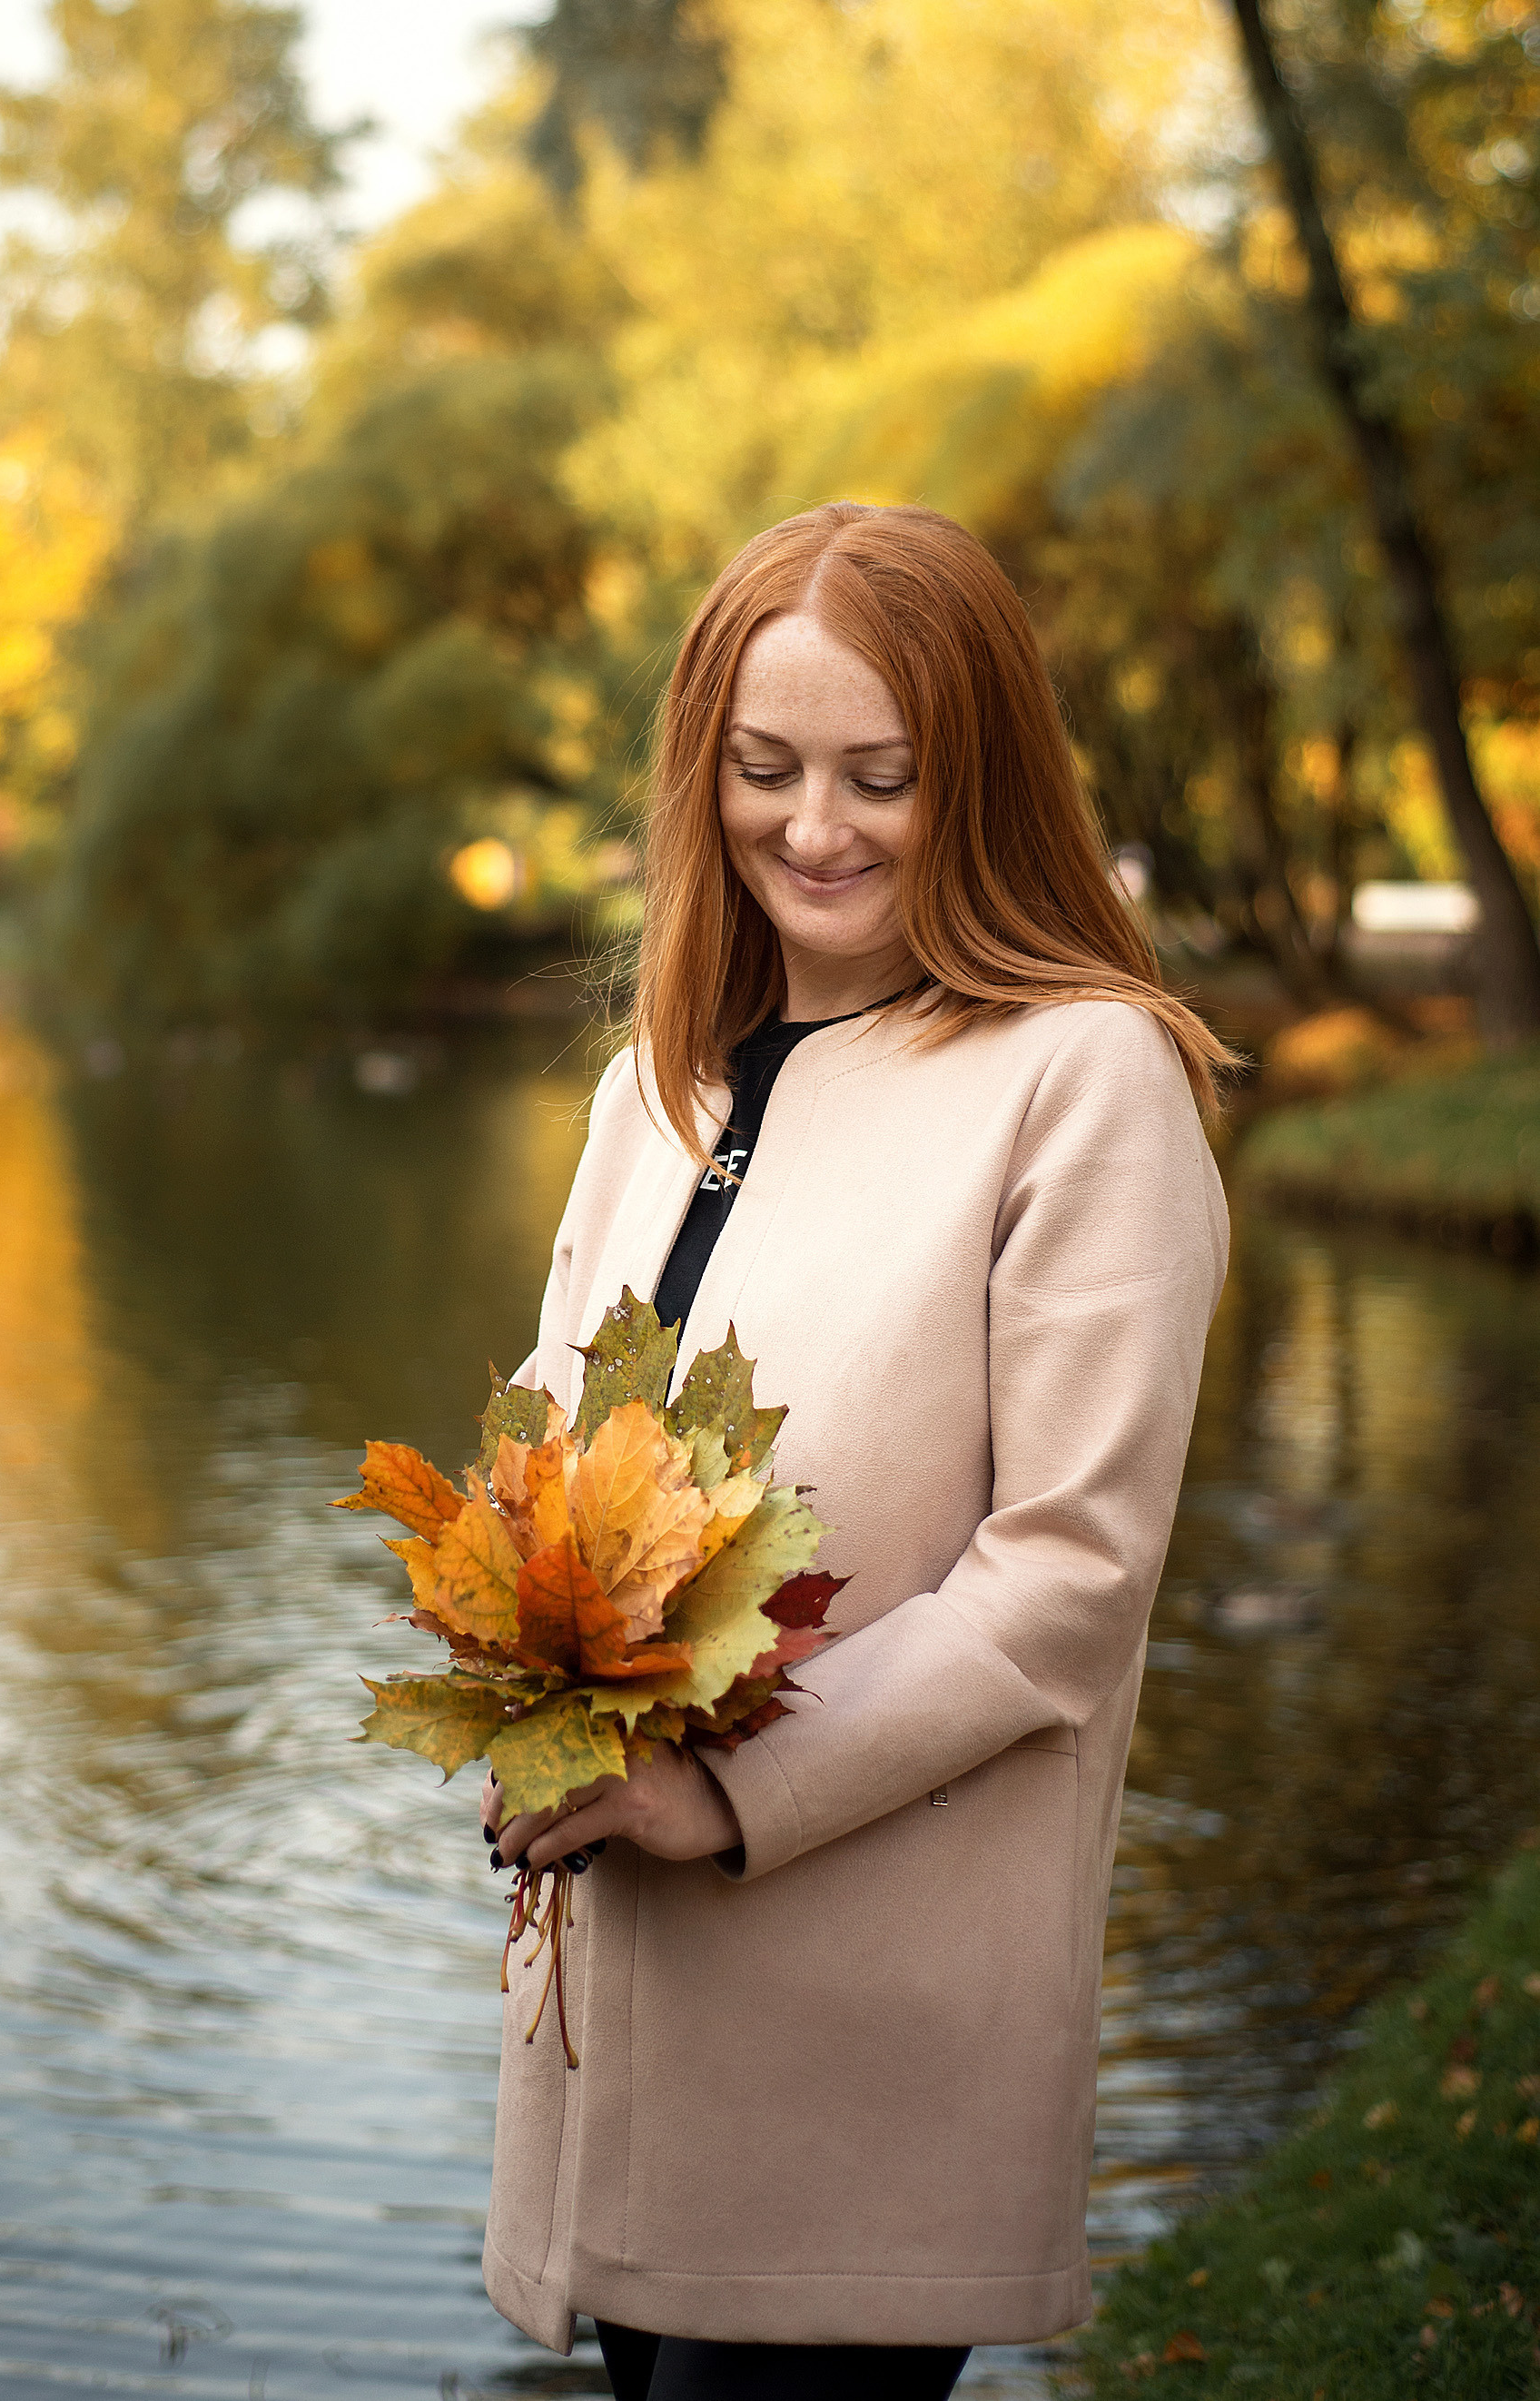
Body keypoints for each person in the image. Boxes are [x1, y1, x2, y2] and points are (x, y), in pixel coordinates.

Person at [478, 504, 1231, 2401]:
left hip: (865, 2014)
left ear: (973, 778)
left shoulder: (1084, 1076)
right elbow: (555, 1449)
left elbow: (1069, 1577)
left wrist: (722, 1797)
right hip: (619, 2000)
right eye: (764, 767)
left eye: (878, 776)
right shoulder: (656, 1083)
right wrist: (529, 1691)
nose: (813, 825)